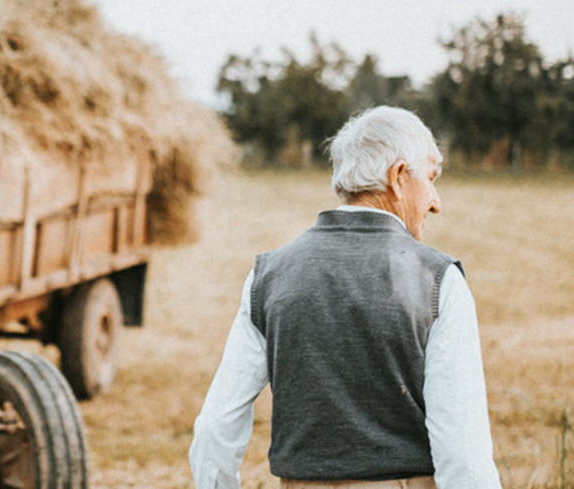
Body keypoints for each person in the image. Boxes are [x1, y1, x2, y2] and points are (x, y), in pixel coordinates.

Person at [188, 106, 501, 489]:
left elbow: (215, 428)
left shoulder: (267, 276)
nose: (436, 202)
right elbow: (464, 454)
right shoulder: (439, 280)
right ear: (398, 177)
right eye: (431, 179)